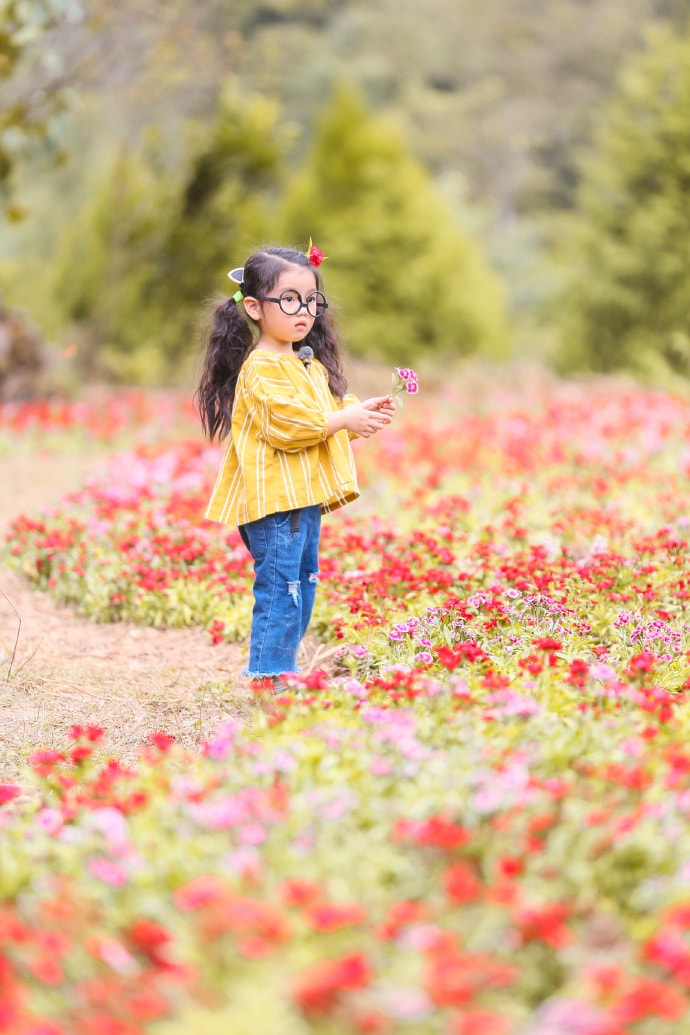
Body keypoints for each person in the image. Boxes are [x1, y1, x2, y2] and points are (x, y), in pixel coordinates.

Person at [196, 243, 395, 692]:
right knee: (281, 590)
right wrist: (342, 420)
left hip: (299, 496)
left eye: (310, 300)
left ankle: (281, 672)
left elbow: (322, 410)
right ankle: (270, 680)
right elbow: (289, 425)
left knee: (302, 586)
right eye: (288, 299)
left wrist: (357, 411)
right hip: (273, 501)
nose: (303, 310)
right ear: (254, 307)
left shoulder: (301, 361)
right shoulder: (261, 369)